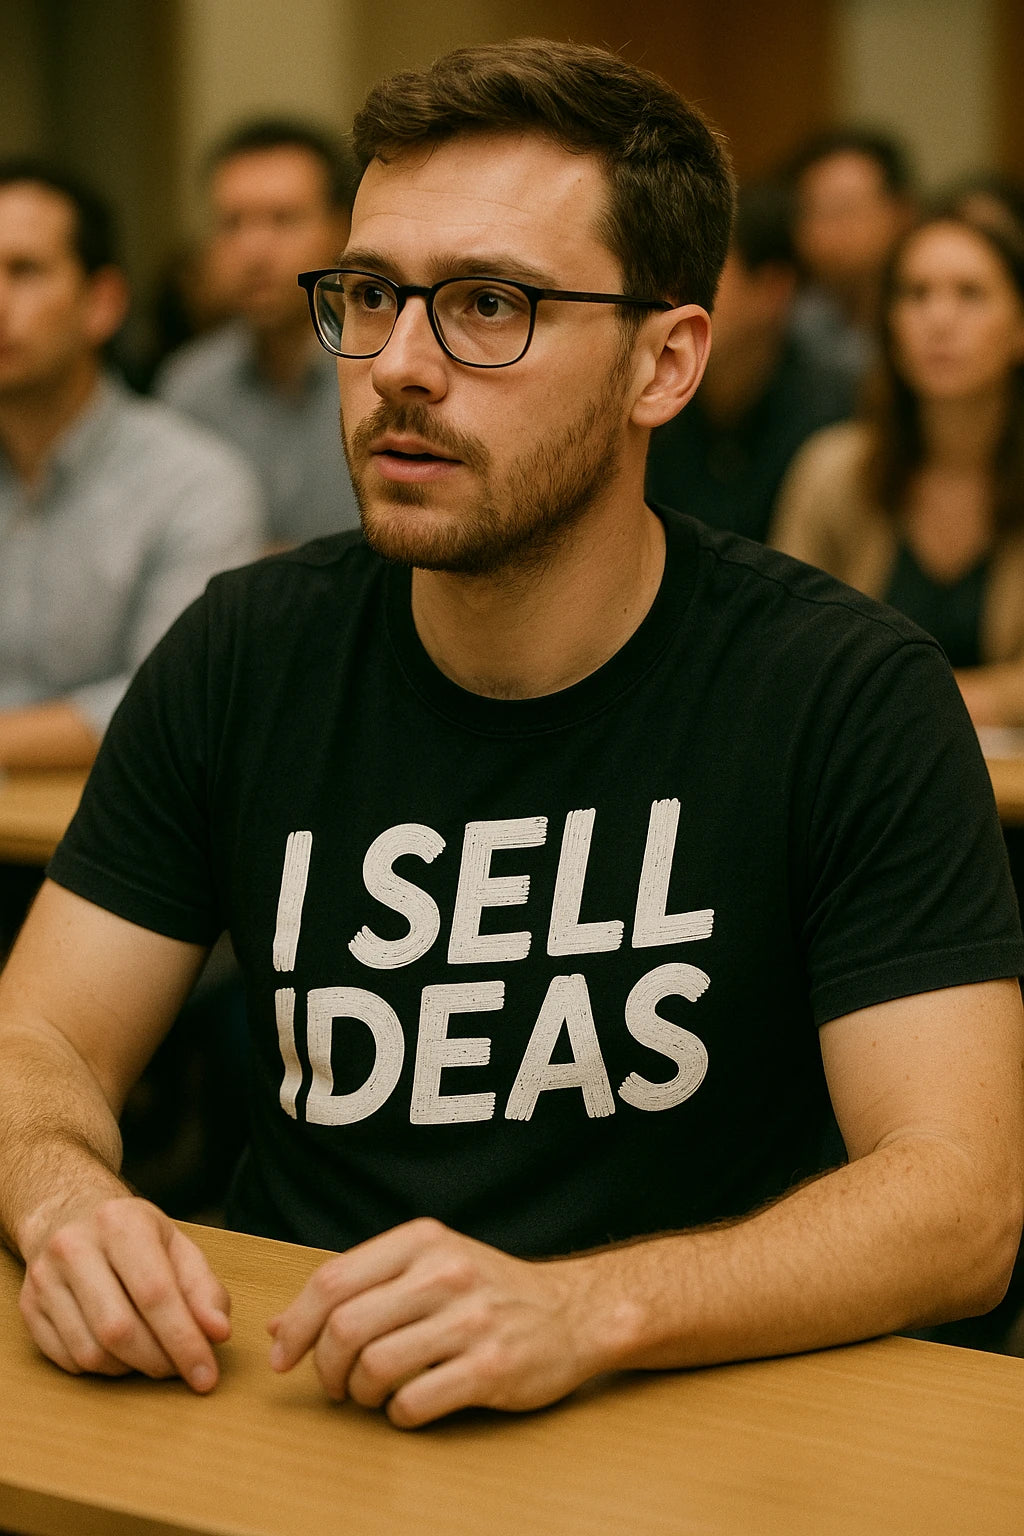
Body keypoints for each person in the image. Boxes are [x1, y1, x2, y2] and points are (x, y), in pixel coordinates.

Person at [0, 41, 1022, 1432]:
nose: (400, 368)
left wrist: (586, 1310)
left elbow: (962, 1200)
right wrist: (67, 1199)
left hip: (687, 1430)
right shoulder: (247, 652)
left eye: (490, 305)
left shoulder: (842, 693)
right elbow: (40, 1035)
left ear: (665, 363)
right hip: (290, 1404)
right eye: (371, 295)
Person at [0, 159, 263, 774]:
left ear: (102, 303)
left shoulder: (196, 483)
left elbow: (173, 700)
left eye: (24, 271)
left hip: (103, 815)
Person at [772, 206, 1024, 726]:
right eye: (916, 294)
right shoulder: (832, 471)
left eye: (970, 293)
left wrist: (919, 700)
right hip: (864, 769)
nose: (939, 319)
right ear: (889, 324)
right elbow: (786, 644)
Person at [155, 119, 361, 548]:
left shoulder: (384, 373)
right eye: (232, 223)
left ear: (343, 228)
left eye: (283, 220)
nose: (253, 250)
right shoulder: (190, 387)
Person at [645, 180, 855, 543]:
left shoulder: (833, 415)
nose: (676, 298)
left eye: (705, 276)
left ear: (774, 289)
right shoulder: (653, 400)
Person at [785, 127, 916, 388]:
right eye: (811, 212)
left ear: (901, 213)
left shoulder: (930, 320)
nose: (821, 231)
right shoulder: (791, 325)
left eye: (842, 210)